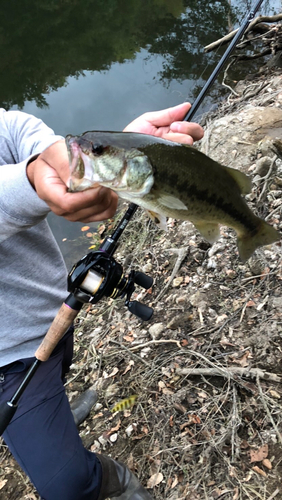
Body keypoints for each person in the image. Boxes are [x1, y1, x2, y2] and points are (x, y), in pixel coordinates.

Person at [0, 103, 204, 500]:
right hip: (6, 362)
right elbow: (34, 176)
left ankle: (57, 414)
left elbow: (34, 144)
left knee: (58, 366)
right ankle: (111, 479)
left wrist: (120, 154)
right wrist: (30, 180)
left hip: (55, 314)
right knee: (67, 486)